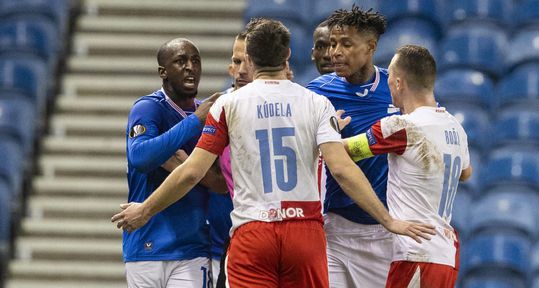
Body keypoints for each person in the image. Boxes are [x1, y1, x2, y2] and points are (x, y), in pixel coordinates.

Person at [112, 19, 435, 288]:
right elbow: (342, 169)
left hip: (254, 229)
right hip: (305, 231)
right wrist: (388, 219)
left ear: (250, 59)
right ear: (288, 56)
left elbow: (193, 172)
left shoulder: (229, 104)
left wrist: (145, 210)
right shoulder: (315, 102)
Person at [343, 45, 472, 288]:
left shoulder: (401, 127)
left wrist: (327, 128)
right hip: (445, 254)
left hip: (416, 252)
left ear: (399, 83)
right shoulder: (455, 126)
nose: (388, 83)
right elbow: (466, 172)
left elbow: (342, 150)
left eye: (390, 77)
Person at [306, 6, 399, 288]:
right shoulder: (317, 92)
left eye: (346, 44)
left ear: (370, 47)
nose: (335, 52)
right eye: (333, 44)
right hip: (335, 227)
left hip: (384, 230)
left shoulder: (397, 87)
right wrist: (325, 135)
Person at [123, 37, 224, 288]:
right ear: (163, 72)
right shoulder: (148, 108)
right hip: (146, 245)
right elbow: (141, 157)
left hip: (193, 247)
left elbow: (223, 182)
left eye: (195, 61)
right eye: (180, 61)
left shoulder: (211, 116)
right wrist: (194, 122)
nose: (190, 67)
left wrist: (187, 167)